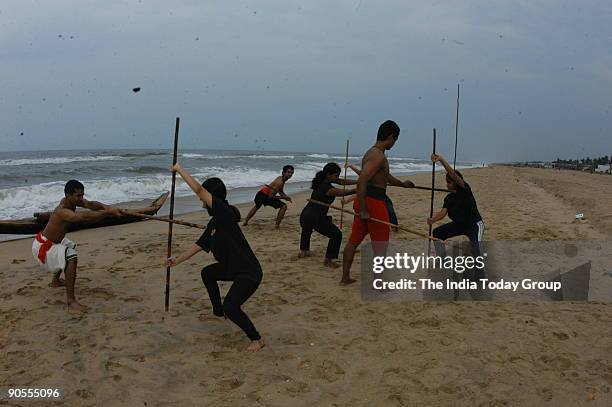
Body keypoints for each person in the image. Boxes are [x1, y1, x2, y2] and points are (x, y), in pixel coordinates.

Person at [166, 164, 265, 352]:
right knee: (208, 273)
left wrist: (179, 170)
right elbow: (199, 245)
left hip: (249, 272)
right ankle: (218, 313)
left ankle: (256, 339)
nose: (200, 199)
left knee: (232, 307)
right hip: (232, 267)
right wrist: (176, 261)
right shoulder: (214, 222)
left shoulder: (224, 213)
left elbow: (199, 189)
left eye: (203, 197)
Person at [341, 120, 415, 285]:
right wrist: (365, 209)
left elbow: (384, 177)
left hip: (366, 202)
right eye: (395, 140)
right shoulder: (378, 156)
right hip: (373, 203)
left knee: (354, 241)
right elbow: (362, 181)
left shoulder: (372, 153)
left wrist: (403, 184)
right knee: (380, 245)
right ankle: (378, 283)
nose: (394, 144)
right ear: (390, 137)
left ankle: (345, 277)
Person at [31, 180, 122, 312]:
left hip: (53, 242)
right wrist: (108, 213)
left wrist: (108, 208)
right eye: (78, 196)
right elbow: (83, 217)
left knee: (70, 246)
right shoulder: (62, 211)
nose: (81, 199)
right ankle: (71, 301)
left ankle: (55, 281)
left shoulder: (74, 201)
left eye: (82, 195)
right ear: (68, 196)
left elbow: (91, 205)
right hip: (43, 247)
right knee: (71, 256)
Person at [427, 153, 485, 260]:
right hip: (459, 225)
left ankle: (480, 275)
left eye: (449, 182)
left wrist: (441, 160)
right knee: (436, 233)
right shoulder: (449, 198)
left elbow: (453, 175)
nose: (447, 185)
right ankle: (442, 259)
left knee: (476, 249)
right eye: (446, 182)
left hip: (474, 225)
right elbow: (443, 212)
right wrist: (433, 220)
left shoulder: (465, 189)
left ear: (456, 182)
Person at [299, 163, 357, 268]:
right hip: (315, 216)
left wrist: (359, 181)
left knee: (306, 230)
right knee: (336, 235)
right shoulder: (325, 187)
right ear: (328, 174)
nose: (337, 178)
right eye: (335, 175)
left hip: (306, 214)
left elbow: (341, 182)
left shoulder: (321, 180)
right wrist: (355, 190)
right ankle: (328, 260)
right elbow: (341, 192)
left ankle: (304, 251)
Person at [344, 163, 399, 230]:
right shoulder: (367, 175)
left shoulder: (381, 174)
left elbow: (392, 180)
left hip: (380, 195)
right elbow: (357, 193)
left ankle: (394, 226)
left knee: (390, 209)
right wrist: (350, 165)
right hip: (369, 196)